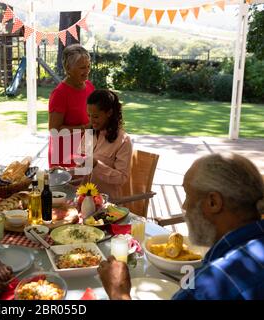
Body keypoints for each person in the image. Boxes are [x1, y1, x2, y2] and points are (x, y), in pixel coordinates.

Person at [98, 153, 264, 300]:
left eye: (188, 196)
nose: (184, 206)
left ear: (213, 202)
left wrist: (118, 292)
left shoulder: (210, 285)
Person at [75, 89, 132, 200]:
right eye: (89, 116)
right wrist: (64, 172)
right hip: (84, 199)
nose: (91, 121)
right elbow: (80, 169)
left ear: (109, 113)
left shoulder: (123, 141)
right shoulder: (89, 134)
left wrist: (97, 165)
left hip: (108, 204)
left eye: (96, 116)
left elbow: (122, 178)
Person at [48, 44, 95, 168]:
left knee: (87, 186)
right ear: (68, 68)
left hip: (85, 149)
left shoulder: (89, 86)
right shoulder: (60, 94)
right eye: (82, 68)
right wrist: (84, 128)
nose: (87, 71)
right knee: (66, 186)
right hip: (64, 155)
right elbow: (54, 130)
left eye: (88, 66)